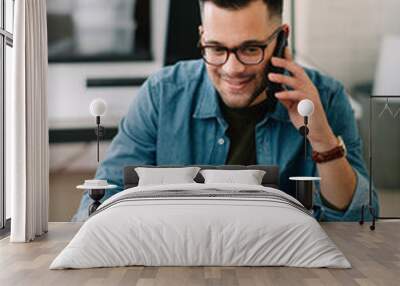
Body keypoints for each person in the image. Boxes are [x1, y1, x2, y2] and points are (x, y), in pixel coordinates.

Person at [73, 0, 378, 222]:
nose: (232, 69)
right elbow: (100, 202)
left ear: (282, 37)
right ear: (203, 36)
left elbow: (361, 220)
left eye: (250, 49)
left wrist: (323, 140)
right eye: (217, 49)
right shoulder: (162, 94)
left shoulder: (327, 97)